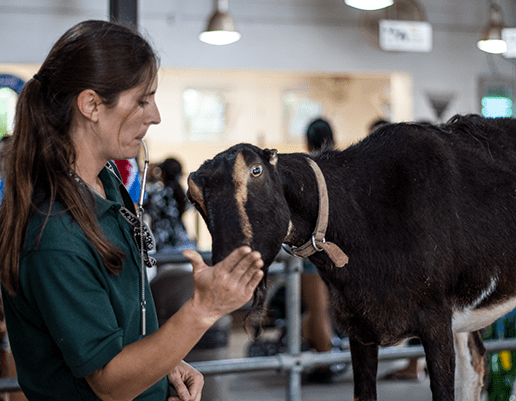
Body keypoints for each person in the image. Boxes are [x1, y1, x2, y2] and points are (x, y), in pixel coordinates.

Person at [0, 20, 264, 401]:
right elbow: (110, 383)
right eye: (142, 100)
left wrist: (162, 363)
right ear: (91, 104)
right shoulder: (54, 234)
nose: (155, 115)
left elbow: (120, 323)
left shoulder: (104, 182)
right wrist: (203, 310)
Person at [301, 118, 343, 384]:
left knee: (317, 310)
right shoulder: (341, 167)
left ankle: (324, 364)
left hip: (313, 250)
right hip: (337, 250)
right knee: (325, 311)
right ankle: (324, 355)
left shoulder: (307, 170)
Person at [144, 157, 196, 253]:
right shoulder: (184, 195)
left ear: (162, 173)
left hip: (163, 247)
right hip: (184, 245)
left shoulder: (155, 195)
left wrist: (148, 177)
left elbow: (140, 205)